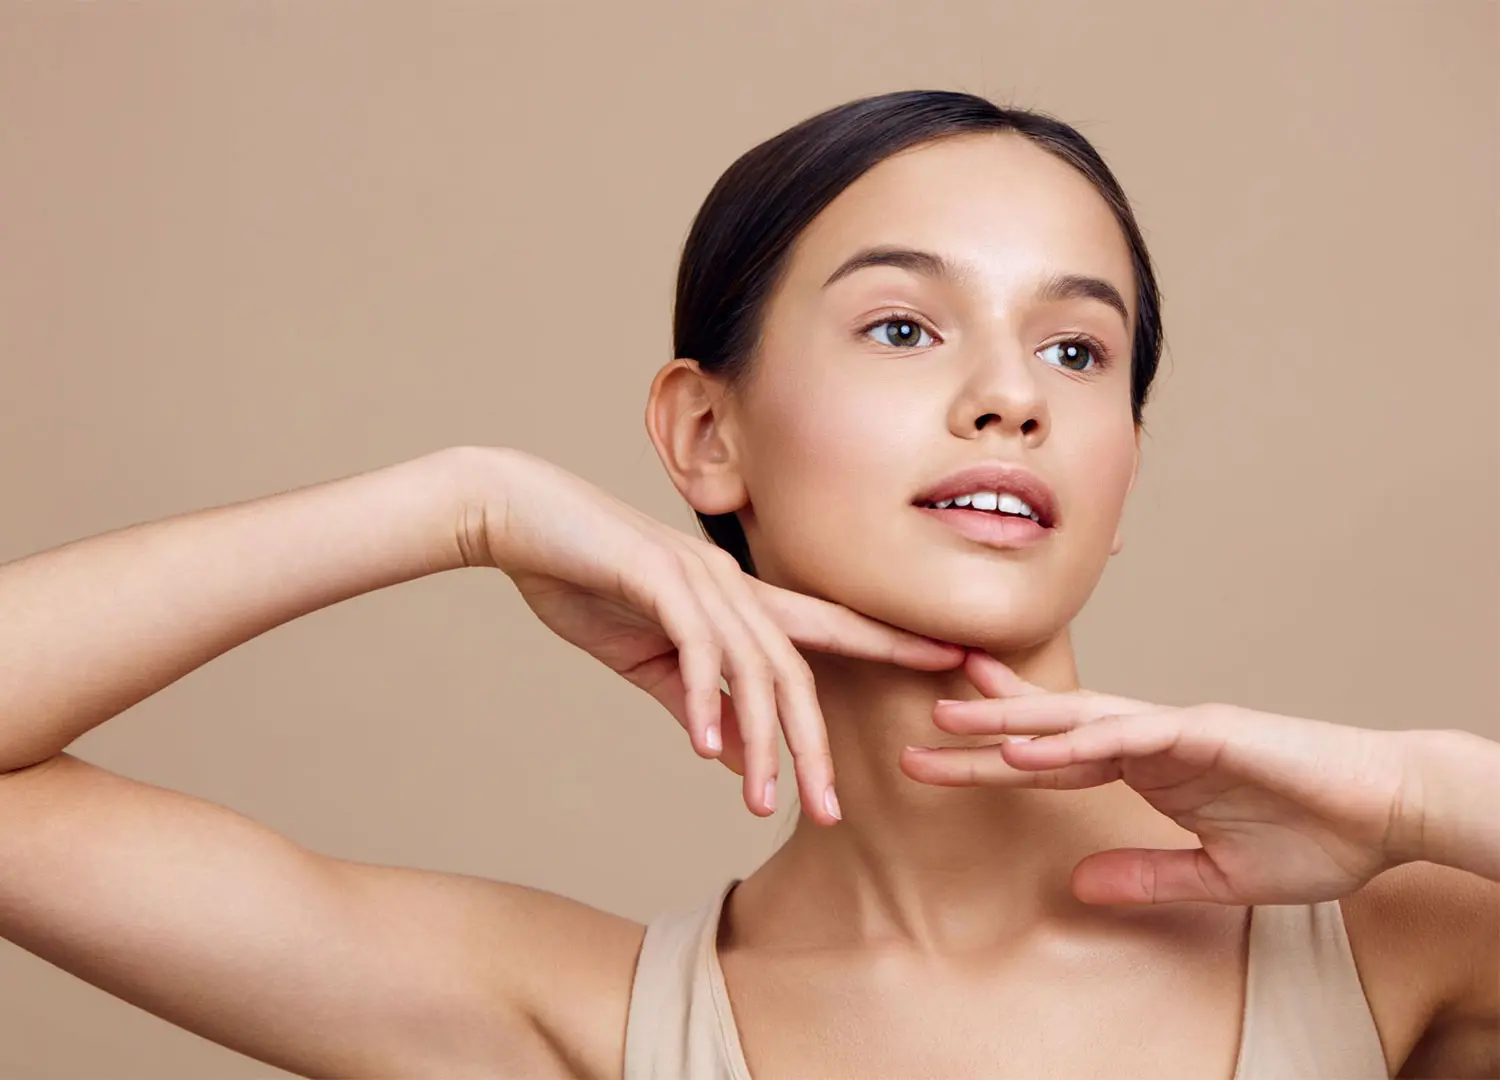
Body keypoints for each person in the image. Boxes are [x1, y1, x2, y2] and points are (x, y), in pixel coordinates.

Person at [0, 89, 1495, 1080]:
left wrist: (1428, 799)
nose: (1012, 398)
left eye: (1076, 350)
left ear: (1122, 476)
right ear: (707, 435)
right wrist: (460, 505)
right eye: (905, 329)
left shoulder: (1403, 936)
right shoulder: (590, 1024)